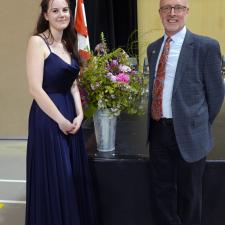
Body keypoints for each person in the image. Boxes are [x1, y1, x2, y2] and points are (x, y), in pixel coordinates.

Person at [147, 0, 224, 225]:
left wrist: (196, 122)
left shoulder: (205, 47)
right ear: (160, 13)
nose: (172, 13)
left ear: (187, 12)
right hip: (158, 132)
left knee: (190, 196)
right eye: (166, 8)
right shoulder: (153, 48)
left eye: (178, 8)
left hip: (191, 134)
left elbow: (216, 94)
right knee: (162, 194)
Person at [25, 0, 96, 224]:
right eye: (55, 11)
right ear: (45, 15)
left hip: (70, 114)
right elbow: (35, 88)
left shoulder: (68, 41)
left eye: (65, 10)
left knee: (71, 176)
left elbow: (73, 84)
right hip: (48, 117)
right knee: (57, 176)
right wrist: (61, 120)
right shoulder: (37, 42)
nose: (61, 14)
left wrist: (80, 114)